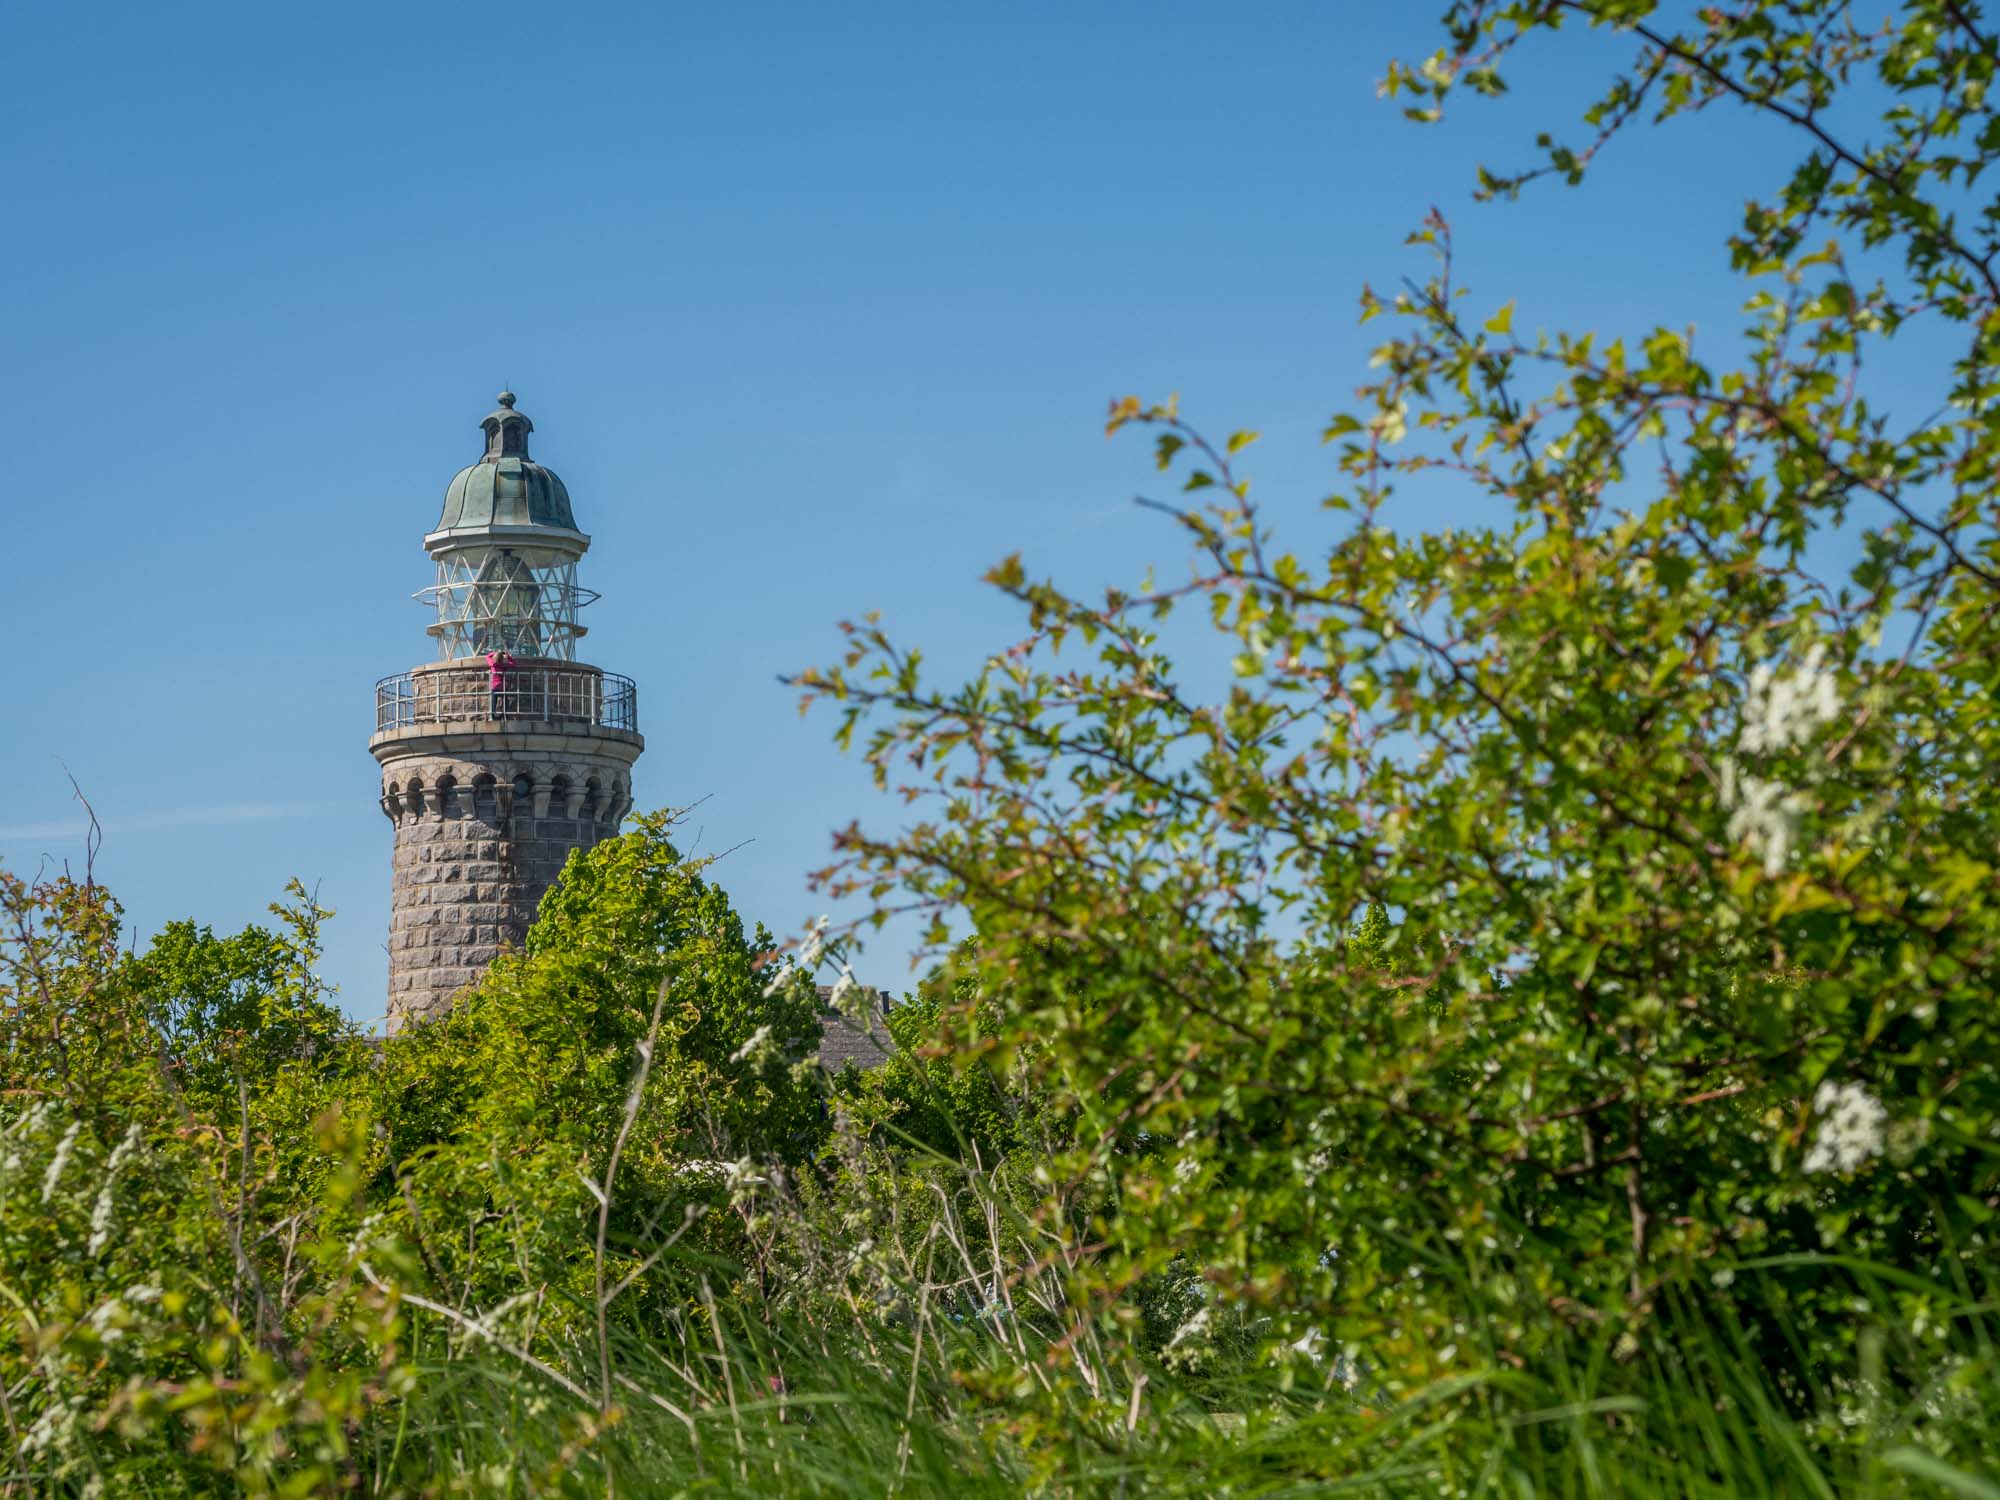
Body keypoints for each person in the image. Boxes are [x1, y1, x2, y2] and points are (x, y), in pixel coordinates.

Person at [486, 648, 516, 718]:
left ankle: (492, 715)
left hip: (494, 686)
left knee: (494, 701)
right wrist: (507, 656)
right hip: (503, 686)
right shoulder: (504, 665)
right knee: (505, 700)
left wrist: (494, 653)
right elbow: (514, 664)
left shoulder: (492, 664)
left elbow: (487, 656)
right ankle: (505, 714)